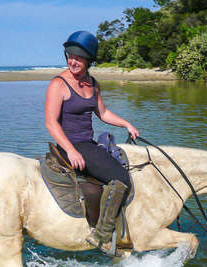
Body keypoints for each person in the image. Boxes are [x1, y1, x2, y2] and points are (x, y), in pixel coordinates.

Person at [44, 30, 140, 255]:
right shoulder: (58, 84)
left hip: (87, 144)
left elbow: (103, 113)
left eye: (78, 58)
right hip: (74, 146)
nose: (73, 61)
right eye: (70, 56)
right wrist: (71, 151)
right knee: (122, 178)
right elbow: (51, 123)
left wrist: (127, 124)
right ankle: (102, 234)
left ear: (89, 60)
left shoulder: (92, 84)